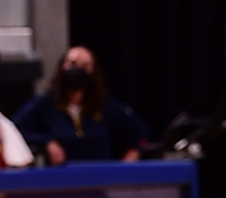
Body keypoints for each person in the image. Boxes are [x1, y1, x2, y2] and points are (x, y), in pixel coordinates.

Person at [12, 46, 150, 164]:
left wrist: (130, 159)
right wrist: (47, 142)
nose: (78, 69)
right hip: (59, 178)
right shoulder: (45, 103)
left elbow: (141, 132)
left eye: (85, 66)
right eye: (72, 63)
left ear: (93, 71)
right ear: (62, 67)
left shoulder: (105, 104)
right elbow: (13, 130)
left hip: (100, 177)